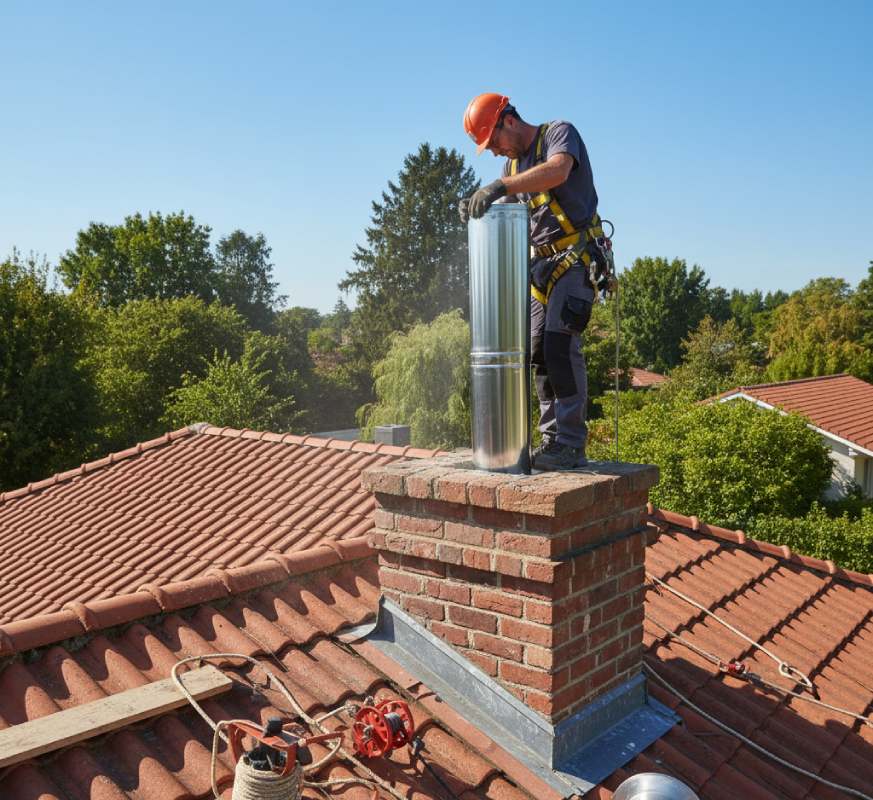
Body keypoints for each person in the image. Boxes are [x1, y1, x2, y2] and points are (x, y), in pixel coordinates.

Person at [460, 93, 603, 471]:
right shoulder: (511, 169)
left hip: (575, 260)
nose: (493, 152)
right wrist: (482, 204)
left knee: (559, 345)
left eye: (492, 143)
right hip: (540, 269)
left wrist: (500, 188)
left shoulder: (558, 134)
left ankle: (572, 444)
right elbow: (509, 208)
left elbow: (556, 171)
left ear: (508, 121)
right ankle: (552, 439)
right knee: (538, 352)